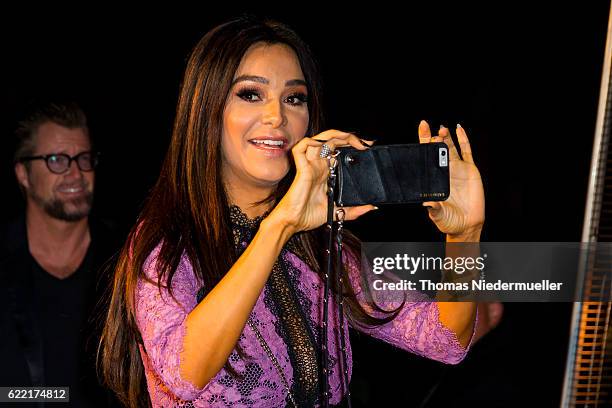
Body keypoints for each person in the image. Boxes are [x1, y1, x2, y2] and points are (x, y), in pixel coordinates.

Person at [100, 15, 484, 408]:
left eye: (294, 98)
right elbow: (183, 373)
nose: (277, 117)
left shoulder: (319, 247)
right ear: (206, 110)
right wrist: (280, 224)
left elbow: (445, 341)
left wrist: (465, 236)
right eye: (251, 94)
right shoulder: (167, 248)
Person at [0, 101, 120, 407]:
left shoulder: (126, 260)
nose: (76, 173)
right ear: (23, 174)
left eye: (83, 158)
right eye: (57, 160)